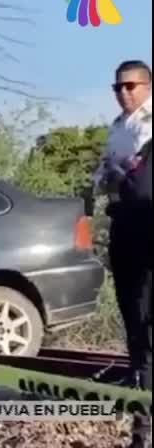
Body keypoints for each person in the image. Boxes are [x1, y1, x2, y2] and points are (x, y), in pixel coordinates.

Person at [93, 60, 152, 448]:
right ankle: (142, 422)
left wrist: (130, 174)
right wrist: (112, 176)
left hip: (150, 226)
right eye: (118, 87)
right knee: (134, 321)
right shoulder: (117, 127)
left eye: (131, 86)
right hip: (124, 227)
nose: (124, 93)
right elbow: (99, 177)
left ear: (147, 86)